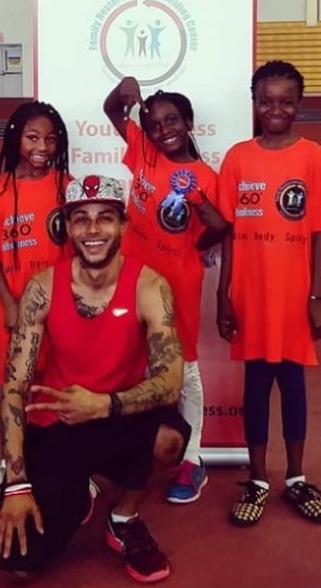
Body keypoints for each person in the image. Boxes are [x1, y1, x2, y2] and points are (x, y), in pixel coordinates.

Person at [0, 175, 190, 583]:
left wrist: (104, 405)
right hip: (60, 421)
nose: (93, 229)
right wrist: (16, 485)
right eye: (81, 219)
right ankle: (76, 493)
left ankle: (124, 519)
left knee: (169, 438)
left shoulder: (149, 286)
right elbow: (14, 387)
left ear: (122, 225)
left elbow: (171, 382)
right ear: (68, 228)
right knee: (20, 565)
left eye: (105, 218)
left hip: (119, 414)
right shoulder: (41, 289)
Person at [216, 60, 321, 526]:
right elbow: (228, 234)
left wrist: (318, 298)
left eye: (286, 102)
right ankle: (257, 479)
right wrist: (224, 295)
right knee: (255, 387)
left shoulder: (314, 157)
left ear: (299, 104)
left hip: (294, 299)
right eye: (266, 101)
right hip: (251, 297)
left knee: (293, 386)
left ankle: (296, 477)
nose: (275, 110)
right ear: (254, 103)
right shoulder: (238, 158)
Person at [103, 77, 227, 504]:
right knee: (129, 361)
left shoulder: (208, 178)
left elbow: (219, 231)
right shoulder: (144, 152)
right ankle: (128, 451)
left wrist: (208, 230)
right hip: (131, 280)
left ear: (189, 123)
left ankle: (191, 459)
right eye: (154, 125)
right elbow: (111, 109)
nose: (163, 130)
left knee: (184, 368)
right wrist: (124, 89)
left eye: (172, 121)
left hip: (178, 285)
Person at [0, 100, 72, 507]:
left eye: (50, 139)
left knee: (59, 384)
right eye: (32, 137)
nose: (42, 147)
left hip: (62, 310)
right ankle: (11, 467)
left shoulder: (65, 186)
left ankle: (64, 465)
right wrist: (8, 303)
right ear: (15, 139)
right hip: (16, 313)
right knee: (16, 389)